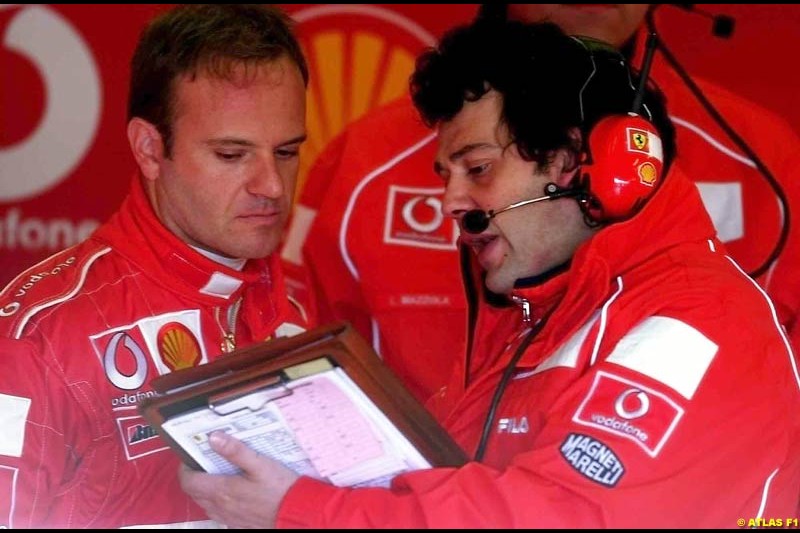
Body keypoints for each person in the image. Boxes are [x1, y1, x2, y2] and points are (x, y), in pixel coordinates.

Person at [180, 18, 800, 528]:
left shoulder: (700, 323)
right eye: (445, 175)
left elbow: (561, 517)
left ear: (584, 168)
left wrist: (304, 510)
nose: (451, 202)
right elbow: (453, 488)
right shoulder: (536, 316)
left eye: (476, 169)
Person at [286, 4, 800, 405]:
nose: (454, 201)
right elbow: (297, 354)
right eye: (454, 170)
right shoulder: (364, 158)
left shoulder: (766, 157)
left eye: (480, 167)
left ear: (571, 163)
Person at [0, 4, 311, 528]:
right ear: (149, 149)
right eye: (232, 155)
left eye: (285, 152)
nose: (272, 187)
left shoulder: (293, 315)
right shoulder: (40, 335)